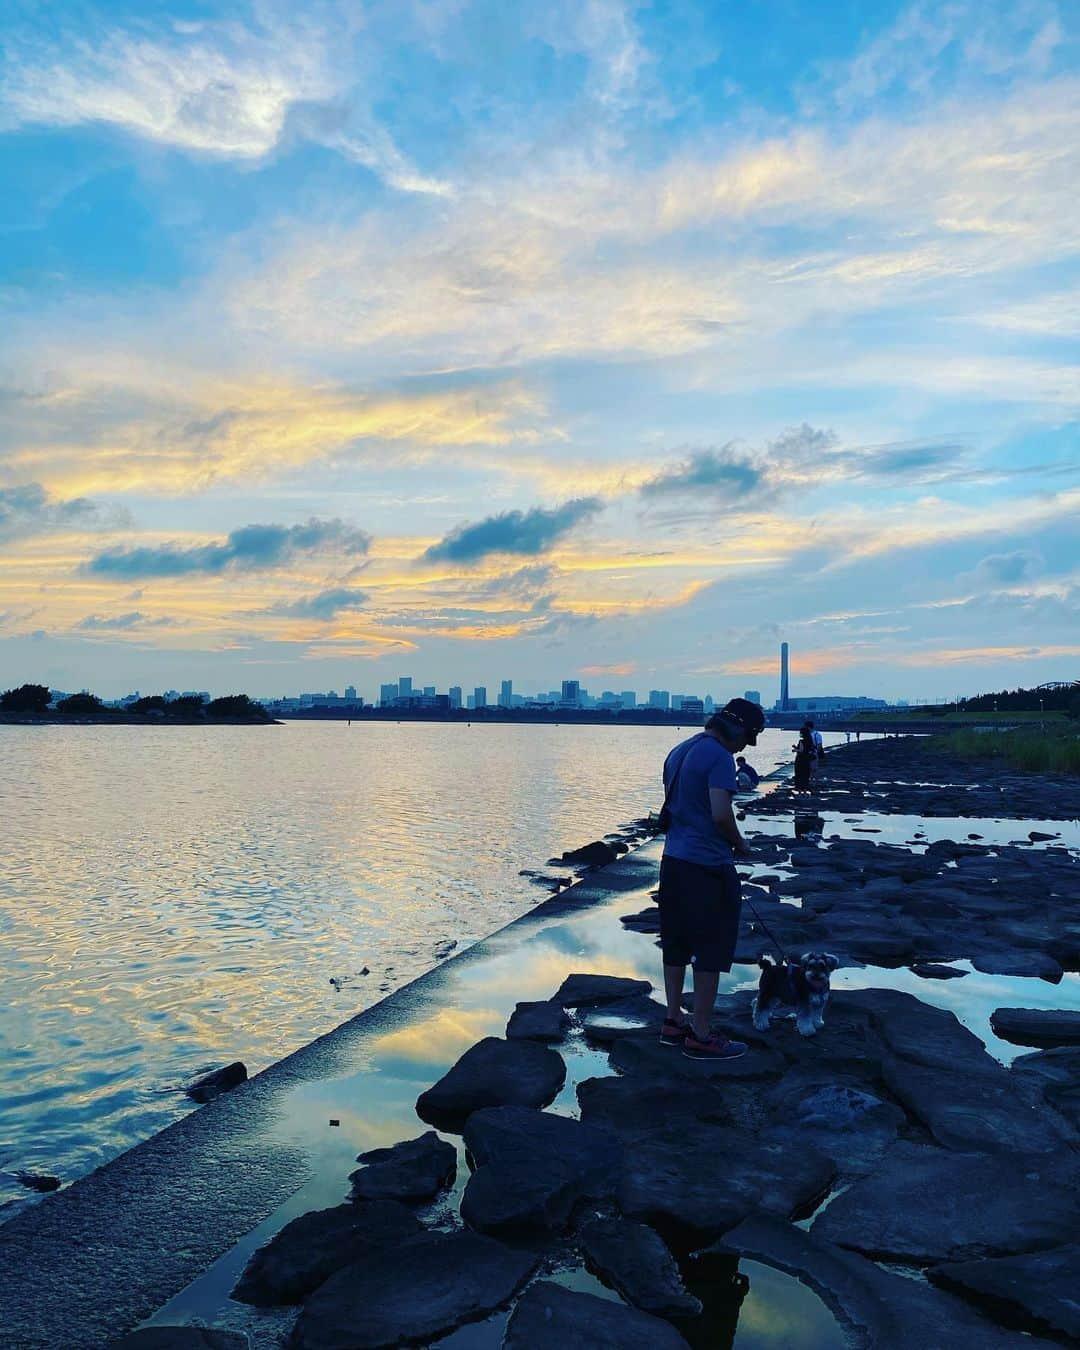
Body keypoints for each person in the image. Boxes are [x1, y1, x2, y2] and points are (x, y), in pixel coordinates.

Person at [658, 697, 765, 1060]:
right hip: (707, 866)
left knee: (675, 943)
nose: (745, 747)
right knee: (711, 948)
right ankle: (701, 1033)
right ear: (737, 729)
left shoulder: (679, 750)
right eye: (748, 738)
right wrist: (740, 844)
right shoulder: (719, 756)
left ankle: (672, 1021)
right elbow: (721, 814)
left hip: (673, 861)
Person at [793, 721, 815, 792]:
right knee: (805, 774)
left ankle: (799, 790)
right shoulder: (810, 741)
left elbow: (801, 750)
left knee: (799, 774)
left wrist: (795, 750)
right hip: (807, 760)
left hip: (800, 759)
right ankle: (805, 789)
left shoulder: (801, 741)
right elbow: (808, 750)